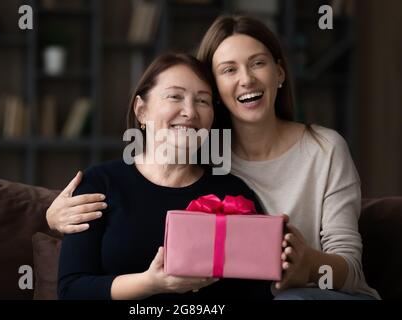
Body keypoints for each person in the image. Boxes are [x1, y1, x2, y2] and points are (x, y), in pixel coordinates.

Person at [49, 16, 380, 300]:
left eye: (258, 63)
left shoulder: (320, 150)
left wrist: (307, 265)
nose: (246, 79)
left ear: (279, 73)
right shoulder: (198, 157)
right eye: (228, 69)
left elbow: (348, 266)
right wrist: (50, 216)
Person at [56, 53, 273, 300]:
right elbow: (71, 290)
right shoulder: (100, 184)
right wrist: (150, 283)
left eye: (203, 101)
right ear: (142, 111)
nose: (190, 112)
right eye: (175, 96)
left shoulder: (234, 193)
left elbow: (258, 293)